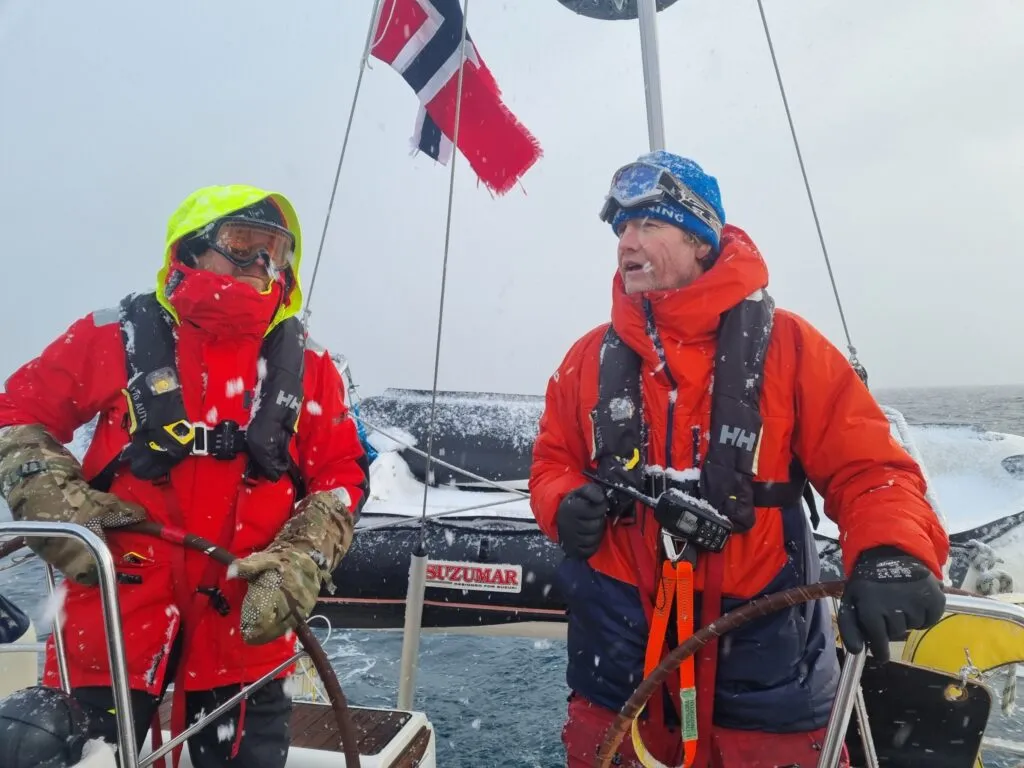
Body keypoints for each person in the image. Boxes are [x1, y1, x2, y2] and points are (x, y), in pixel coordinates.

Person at [529, 151, 949, 768]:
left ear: (700, 241)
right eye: (622, 228)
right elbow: (551, 460)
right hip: (617, 659)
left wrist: (892, 551)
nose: (627, 242)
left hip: (765, 662)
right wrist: (561, 502)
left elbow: (871, 469)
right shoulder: (586, 359)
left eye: (648, 224)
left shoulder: (792, 348)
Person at [0, 184, 369, 768]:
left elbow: (341, 475)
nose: (260, 263)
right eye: (242, 244)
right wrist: (59, 509)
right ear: (192, 247)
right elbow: (16, 412)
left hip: (246, 624)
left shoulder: (313, 367)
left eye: (274, 250)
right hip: (115, 615)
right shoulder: (112, 335)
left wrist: (301, 558)